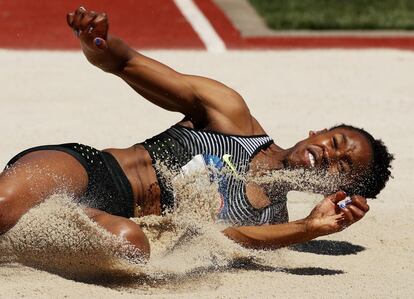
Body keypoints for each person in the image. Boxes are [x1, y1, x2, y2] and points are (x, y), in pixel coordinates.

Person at [0, 7, 393, 260]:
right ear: (318, 132)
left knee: (131, 246)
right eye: (336, 143)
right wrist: (97, 43)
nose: (329, 155)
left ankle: (42, 221)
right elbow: (127, 63)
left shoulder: (271, 219)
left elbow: (228, 241)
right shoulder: (232, 117)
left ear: (333, 190)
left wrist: (306, 229)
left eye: (342, 167)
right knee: (3, 204)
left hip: (112, 221)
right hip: (91, 169)